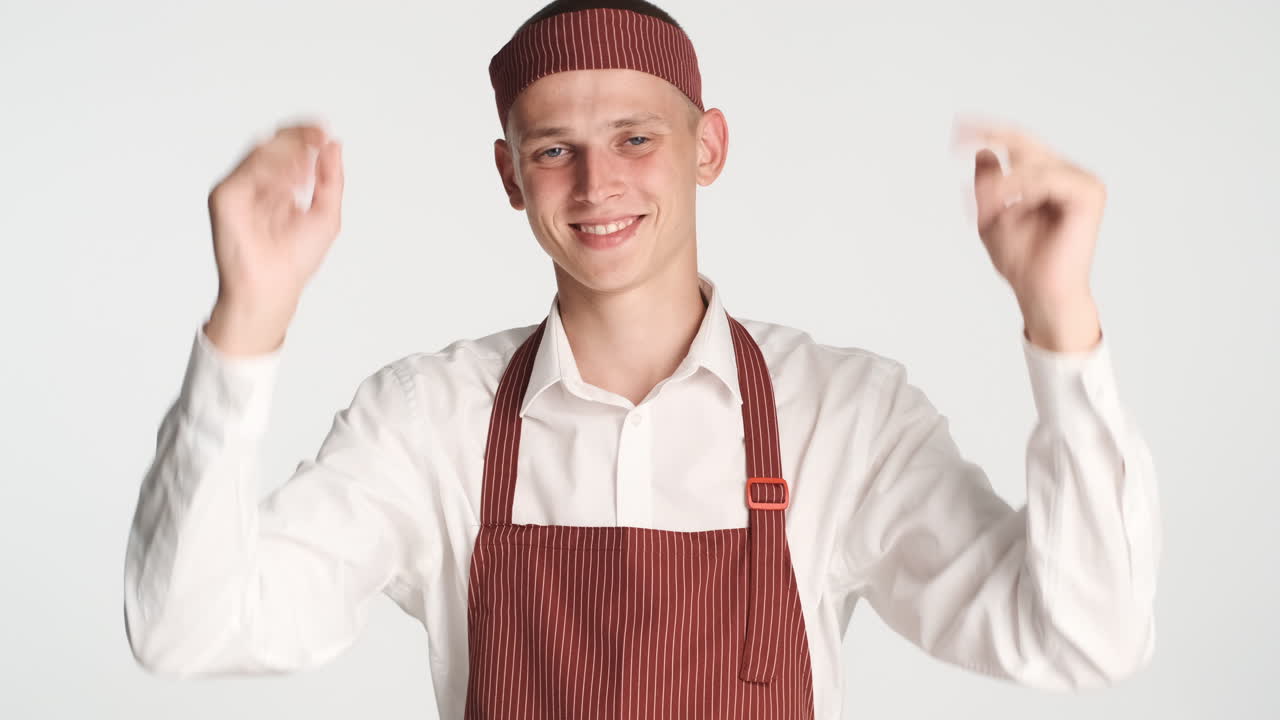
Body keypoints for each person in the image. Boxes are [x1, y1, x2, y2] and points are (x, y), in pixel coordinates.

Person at [122, 1, 1161, 717]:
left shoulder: (840, 416)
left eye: (634, 138)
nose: (594, 186)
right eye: (552, 150)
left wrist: (1057, 314)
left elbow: (1084, 637)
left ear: (707, 145)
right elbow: (184, 629)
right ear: (508, 174)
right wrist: (247, 318)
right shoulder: (428, 422)